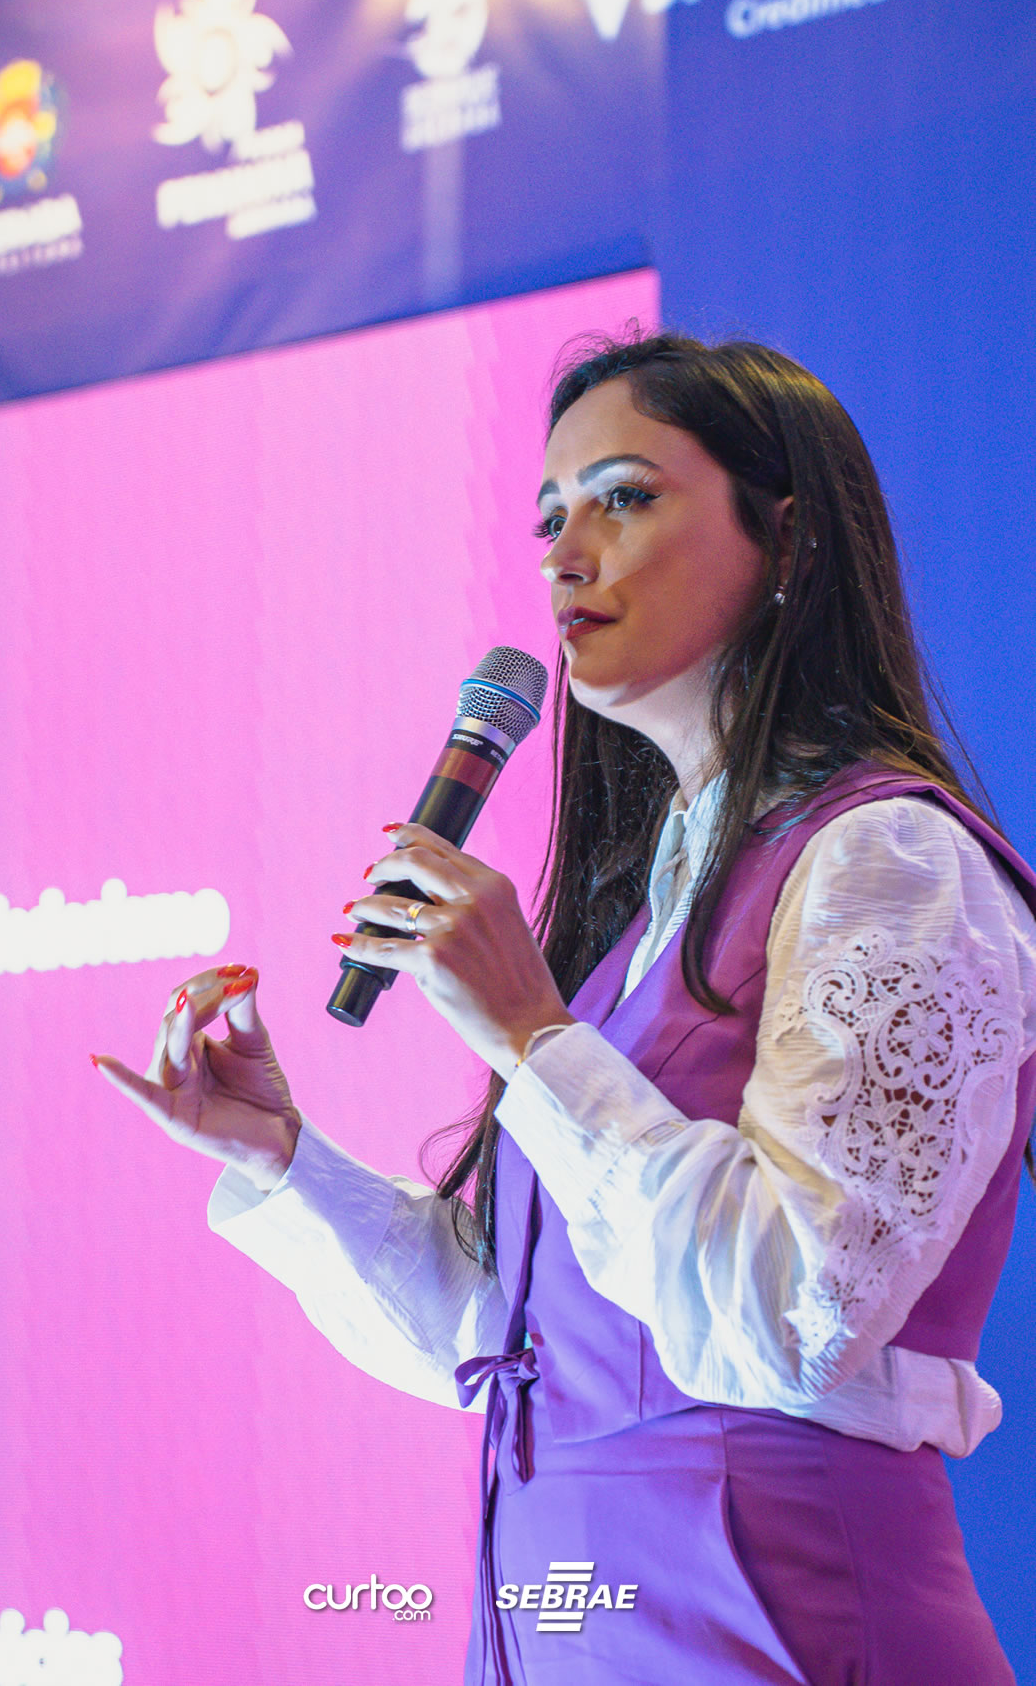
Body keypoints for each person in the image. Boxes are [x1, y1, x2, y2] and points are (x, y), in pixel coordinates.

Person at [94, 333, 1036, 1686]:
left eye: (623, 498)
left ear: (787, 536)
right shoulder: (651, 911)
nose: (564, 555)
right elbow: (519, 1346)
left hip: (779, 1621)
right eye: (549, 518)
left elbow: (795, 1317)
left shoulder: (887, 859)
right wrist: (281, 1160)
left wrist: (535, 1041)